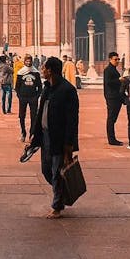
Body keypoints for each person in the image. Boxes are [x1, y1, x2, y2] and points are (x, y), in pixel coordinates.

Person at [26, 56, 79, 218]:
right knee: (46, 170)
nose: (41, 70)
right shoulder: (48, 87)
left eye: (43, 68)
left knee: (56, 171)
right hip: (45, 135)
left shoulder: (68, 90)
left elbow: (72, 120)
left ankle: (57, 205)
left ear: (50, 70)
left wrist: (69, 144)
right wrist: (34, 134)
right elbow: (41, 112)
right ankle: (61, 193)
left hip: (59, 137)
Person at [14, 54, 42, 144]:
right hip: (23, 97)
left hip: (33, 97)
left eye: (30, 61)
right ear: (24, 62)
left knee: (34, 116)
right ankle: (23, 132)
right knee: (22, 116)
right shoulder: (20, 72)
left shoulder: (36, 72)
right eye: (27, 61)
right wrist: (19, 95)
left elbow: (40, 86)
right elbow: (17, 86)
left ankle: (32, 134)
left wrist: (37, 95)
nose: (28, 62)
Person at [103, 51, 124, 145]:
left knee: (113, 118)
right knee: (111, 118)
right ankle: (111, 139)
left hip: (116, 96)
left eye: (118, 59)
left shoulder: (114, 69)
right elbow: (108, 82)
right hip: (112, 97)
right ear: (110, 59)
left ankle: (112, 138)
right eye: (115, 59)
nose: (117, 61)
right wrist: (119, 80)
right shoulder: (108, 70)